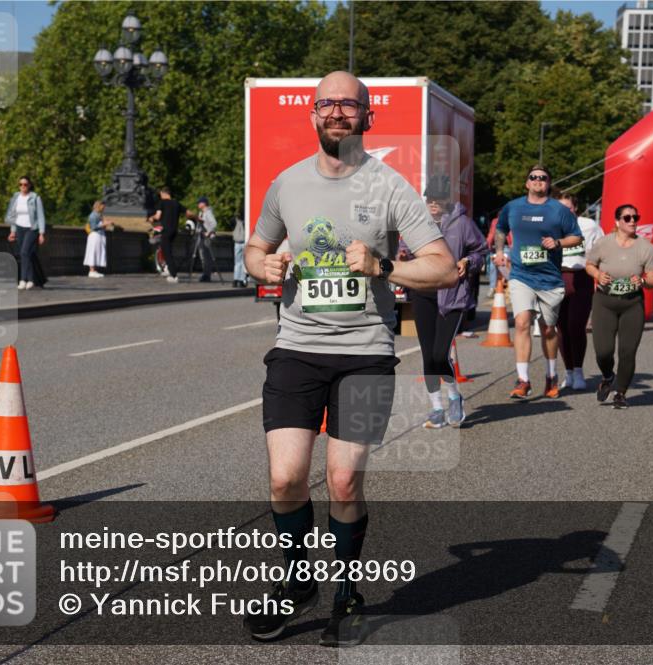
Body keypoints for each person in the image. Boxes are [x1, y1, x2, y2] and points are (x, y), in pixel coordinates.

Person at [243, 71, 456, 647]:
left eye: (349, 105)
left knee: (342, 481)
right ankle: (295, 584)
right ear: (313, 115)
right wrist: (260, 264)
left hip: (365, 355)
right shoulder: (286, 184)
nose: (337, 112)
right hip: (296, 349)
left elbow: (442, 268)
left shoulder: (391, 188)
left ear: (368, 117)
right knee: (286, 479)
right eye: (327, 104)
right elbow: (256, 246)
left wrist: (383, 268)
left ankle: (346, 592)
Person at [399, 175, 487, 429]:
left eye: (439, 199)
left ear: (448, 200)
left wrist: (468, 262)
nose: (434, 203)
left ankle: (454, 397)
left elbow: (480, 251)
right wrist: (403, 255)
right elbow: (404, 248)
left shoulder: (462, 224)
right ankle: (437, 408)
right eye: (430, 198)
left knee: (440, 353)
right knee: (428, 355)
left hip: (452, 295)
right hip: (422, 293)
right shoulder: (418, 223)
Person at [493, 165, 583, 399]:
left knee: (548, 329)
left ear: (548, 184)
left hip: (550, 278)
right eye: (533, 177)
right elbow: (501, 229)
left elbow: (576, 236)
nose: (538, 181)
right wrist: (500, 251)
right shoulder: (512, 207)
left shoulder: (559, 210)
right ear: (527, 183)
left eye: (543, 178)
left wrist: (558, 243)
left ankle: (551, 375)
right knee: (522, 323)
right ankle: (523, 380)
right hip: (521, 275)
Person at [585, 204, 653, 409]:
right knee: (603, 351)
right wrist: (598, 274)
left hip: (632, 303)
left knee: (628, 351)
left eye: (635, 217)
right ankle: (608, 376)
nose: (633, 221)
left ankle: (621, 392)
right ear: (617, 222)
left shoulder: (645, 247)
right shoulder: (603, 243)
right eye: (627, 218)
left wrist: (644, 282)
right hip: (604, 302)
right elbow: (589, 265)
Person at [556, 191, 603, 391]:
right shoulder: (549, 225)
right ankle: (567, 372)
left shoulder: (589, 226)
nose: (564, 212)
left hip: (581, 276)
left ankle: (578, 370)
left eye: (568, 208)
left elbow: (602, 249)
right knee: (561, 328)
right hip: (556, 276)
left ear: (575, 208)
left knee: (576, 325)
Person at [5, 176, 47, 290]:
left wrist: (42, 233)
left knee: (24, 252)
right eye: (20, 184)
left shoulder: (35, 197)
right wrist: (12, 231)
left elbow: (40, 216)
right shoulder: (15, 197)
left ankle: (25, 279)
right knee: (25, 254)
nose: (23, 187)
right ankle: (30, 279)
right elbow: (13, 215)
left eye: (25, 184)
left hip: (31, 228)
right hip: (19, 228)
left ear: (29, 185)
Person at [148, 187, 189, 284]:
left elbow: (157, 216)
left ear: (163, 193)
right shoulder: (176, 203)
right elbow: (188, 212)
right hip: (174, 231)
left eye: (161, 194)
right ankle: (168, 270)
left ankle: (174, 275)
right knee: (168, 250)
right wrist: (197, 218)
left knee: (167, 253)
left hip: (166, 231)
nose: (160, 196)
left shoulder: (162, 203)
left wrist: (151, 218)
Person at [83, 200, 113, 278]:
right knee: (93, 252)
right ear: (98, 206)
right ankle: (91, 270)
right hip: (95, 236)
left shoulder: (99, 215)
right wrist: (104, 224)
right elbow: (93, 227)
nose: (104, 208)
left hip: (99, 235)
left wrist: (105, 223)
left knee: (97, 252)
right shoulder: (93, 215)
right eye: (103, 207)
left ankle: (94, 269)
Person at [197, 196, 218, 282]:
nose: (198, 204)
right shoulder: (201, 213)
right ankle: (205, 274)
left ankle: (207, 275)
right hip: (202, 237)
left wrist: (208, 232)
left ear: (203, 203)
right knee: (204, 257)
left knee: (207, 257)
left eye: (199, 202)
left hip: (207, 237)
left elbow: (214, 223)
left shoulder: (208, 212)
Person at [232, 211, 247, 287]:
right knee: (240, 262)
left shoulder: (242, 222)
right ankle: (238, 279)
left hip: (241, 242)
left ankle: (239, 279)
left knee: (240, 262)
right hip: (239, 242)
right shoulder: (237, 221)